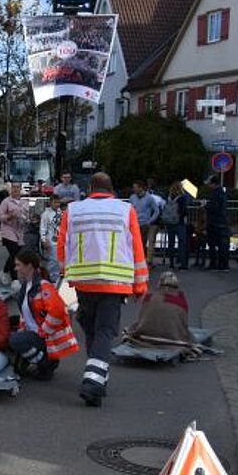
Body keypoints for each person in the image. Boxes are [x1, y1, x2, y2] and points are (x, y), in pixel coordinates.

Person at [58, 172, 148, 407]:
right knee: (105, 331)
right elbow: (137, 248)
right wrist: (140, 284)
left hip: (83, 282)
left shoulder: (73, 210)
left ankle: (97, 379)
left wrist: (66, 273)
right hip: (114, 283)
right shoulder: (125, 210)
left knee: (92, 330)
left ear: (90, 189)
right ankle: (93, 382)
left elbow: (62, 245)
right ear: (112, 190)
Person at [8, 248, 77, 380]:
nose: (15, 268)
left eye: (18, 265)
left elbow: (58, 311)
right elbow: (26, 314)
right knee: (9, 330)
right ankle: (36, 361)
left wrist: (43, 331)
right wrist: (23, 331)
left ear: (28, 266)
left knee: (14, 340)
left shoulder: (43, 287)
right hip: (35, 332)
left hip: (43, 336)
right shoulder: (27, 285)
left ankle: (44, 363)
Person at [124, 271, 201, 360]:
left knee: (131, 328)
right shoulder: (180, 299)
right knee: (189, 337)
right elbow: (182, 322)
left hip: (145, 336)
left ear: (160, 282)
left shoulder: (150, 296)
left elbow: (142, 317)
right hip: (173, 339)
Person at [0, 183, 27, 285]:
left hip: (20, 232)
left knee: (16, 255)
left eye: (18, 187)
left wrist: (28, 218)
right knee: (14, 254)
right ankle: (15, 280)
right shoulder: (6, 202)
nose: (16, 189)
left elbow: (27, 216)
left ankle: (4, 272)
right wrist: (9, 215)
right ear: (10, 189)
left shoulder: (24, 202)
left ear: (20, 189)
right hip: (8, 232)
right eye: (14, 187)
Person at [129, 181, 159, 266]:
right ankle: (135, 261)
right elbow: (130, 209)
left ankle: (143, 262)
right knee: (134, 243)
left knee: (142, 243)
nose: (133, 189)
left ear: (140, 188)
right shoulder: (132, 197)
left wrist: (150, 221)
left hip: (144, 224)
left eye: (135, 187)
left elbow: (156, 210)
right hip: (134, 224)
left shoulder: (149, 198)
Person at [204, 177, 230, 271]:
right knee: (222, 245)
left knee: (213, 244)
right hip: (222, 222)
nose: (208, 186)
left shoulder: (215, 194)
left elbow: (214, 208)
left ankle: (215, 264)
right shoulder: (222, 193)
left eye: (209, 184)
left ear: (214, 184)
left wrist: (205, 206)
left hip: (215, 222)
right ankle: (223, 264)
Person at [163, 182, 189, 271]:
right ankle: (182, 264)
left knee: (171, 244)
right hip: (180, 223)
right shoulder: (182, 198)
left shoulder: (169, 198)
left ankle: (171, 264)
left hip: (170, 223)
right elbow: (184, 211)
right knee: (182, 243)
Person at [40, 196, 63, 282]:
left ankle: (57, 279)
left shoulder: (62, 213)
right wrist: (44, 240)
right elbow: (43, 228)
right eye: (55, 202)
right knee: (53, 261)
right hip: (51, 241)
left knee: (60, 261)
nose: (57, 204)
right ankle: (50, 279)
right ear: (50, 202)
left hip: (61, 240)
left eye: (58, 202)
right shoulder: (45, 214)